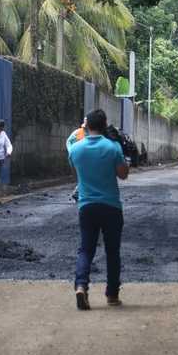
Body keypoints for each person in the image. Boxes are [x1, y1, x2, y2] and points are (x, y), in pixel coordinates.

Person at [69, 109, 129, 310]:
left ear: (87, 126)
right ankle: (112, 295)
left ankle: (80, 286)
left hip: (86, 206)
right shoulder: (113, 147)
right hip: (111, 206)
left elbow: (76, 169)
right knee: (113, 252)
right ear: (104, 125)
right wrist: (120, 149)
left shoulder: (76, 149)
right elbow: (123, 175)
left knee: (86, 249)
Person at [67, 117, 88, 202]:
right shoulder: (78, 133)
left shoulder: (87, 134)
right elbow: (68, 142)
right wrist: (71, 151)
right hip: (79, 158)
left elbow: (68, 142)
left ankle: (78, 193)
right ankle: (77, 192)